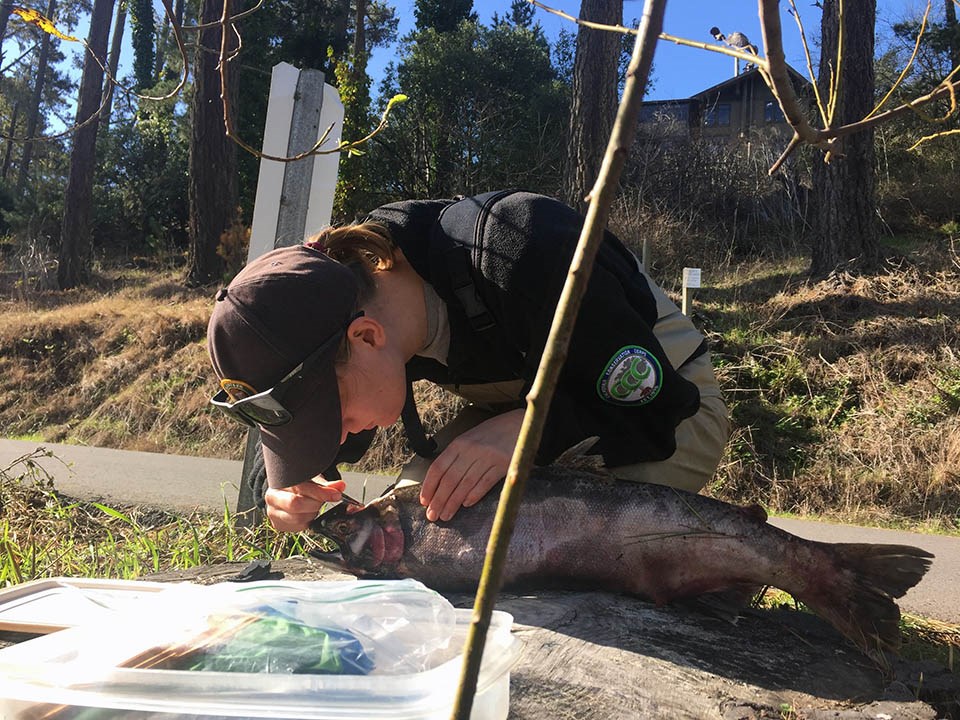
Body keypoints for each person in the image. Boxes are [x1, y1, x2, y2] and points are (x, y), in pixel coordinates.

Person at [207, 190, 729, 533]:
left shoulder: (521, 250)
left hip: (663, 403)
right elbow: (344, 419)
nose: (339, 435)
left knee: (528, 533)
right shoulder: (366, 297)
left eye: (331, 414)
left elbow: (659, 410)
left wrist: (530, 432)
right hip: (527, 405)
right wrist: (299, 474)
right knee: (416, 530)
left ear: (365, 336)